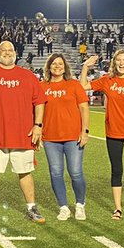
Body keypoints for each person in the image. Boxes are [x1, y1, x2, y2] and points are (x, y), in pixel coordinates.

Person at [0, 40, 47, 224]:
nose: (7, 53)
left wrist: (38, 125)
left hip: (23, 134)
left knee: (25, 171)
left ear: (15, 53)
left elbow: (39, 102)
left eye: (10, 50)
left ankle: (31, 208)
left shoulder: (27, 76)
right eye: (3, 50)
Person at [81, 49, 124, 221]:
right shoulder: (107, 80)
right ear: (114, 62)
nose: (121, 63)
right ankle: (118, 209)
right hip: (114, 131)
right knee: (116, 170)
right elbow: (82, 87)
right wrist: (85, 67)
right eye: (118, 60)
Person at [40, 53, 90, 221]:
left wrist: (85, 131)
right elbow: (36, 110)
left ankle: (80, 204)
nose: (57, 66)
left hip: (73, 137)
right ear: (48, 67)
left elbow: (84, 108)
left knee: (76, 172)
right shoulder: (42, 86)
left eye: (60, 64)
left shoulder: (74, 85)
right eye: (54, 64)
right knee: (56, 173)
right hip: (50, 137)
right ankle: (63, 207)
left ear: (65, 67)